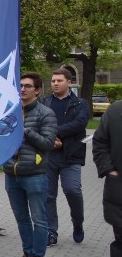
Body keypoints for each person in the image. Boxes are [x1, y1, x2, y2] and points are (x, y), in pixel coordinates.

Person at [3, 73, 57, 257]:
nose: (22, 89)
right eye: (21, 86)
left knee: (39, 219)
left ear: (38, 90)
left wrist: (26, 131)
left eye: (27, 86)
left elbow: (47, 143)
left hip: (34, 174)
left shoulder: (46, 113)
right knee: (21, 218)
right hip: (11, 173)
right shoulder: (10, 110)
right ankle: (27, 254)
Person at [41, 69, 89, 246]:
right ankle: (50, 231)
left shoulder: (80, 103)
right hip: (49, 156)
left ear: (69, 82)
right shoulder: (44, 102)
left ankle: (78, 223)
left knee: (72, 191)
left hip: (71, 156)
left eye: (59, 80)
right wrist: (50, 140)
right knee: (48, 196)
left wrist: (55, 134)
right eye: (53, 80)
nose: (55, 83)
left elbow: (80, 123)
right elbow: (39, 122)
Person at [92, 98, 122, 257]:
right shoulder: (115, 111)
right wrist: (108, 169)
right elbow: (100, 142)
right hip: (118, 188)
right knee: (120, 243)